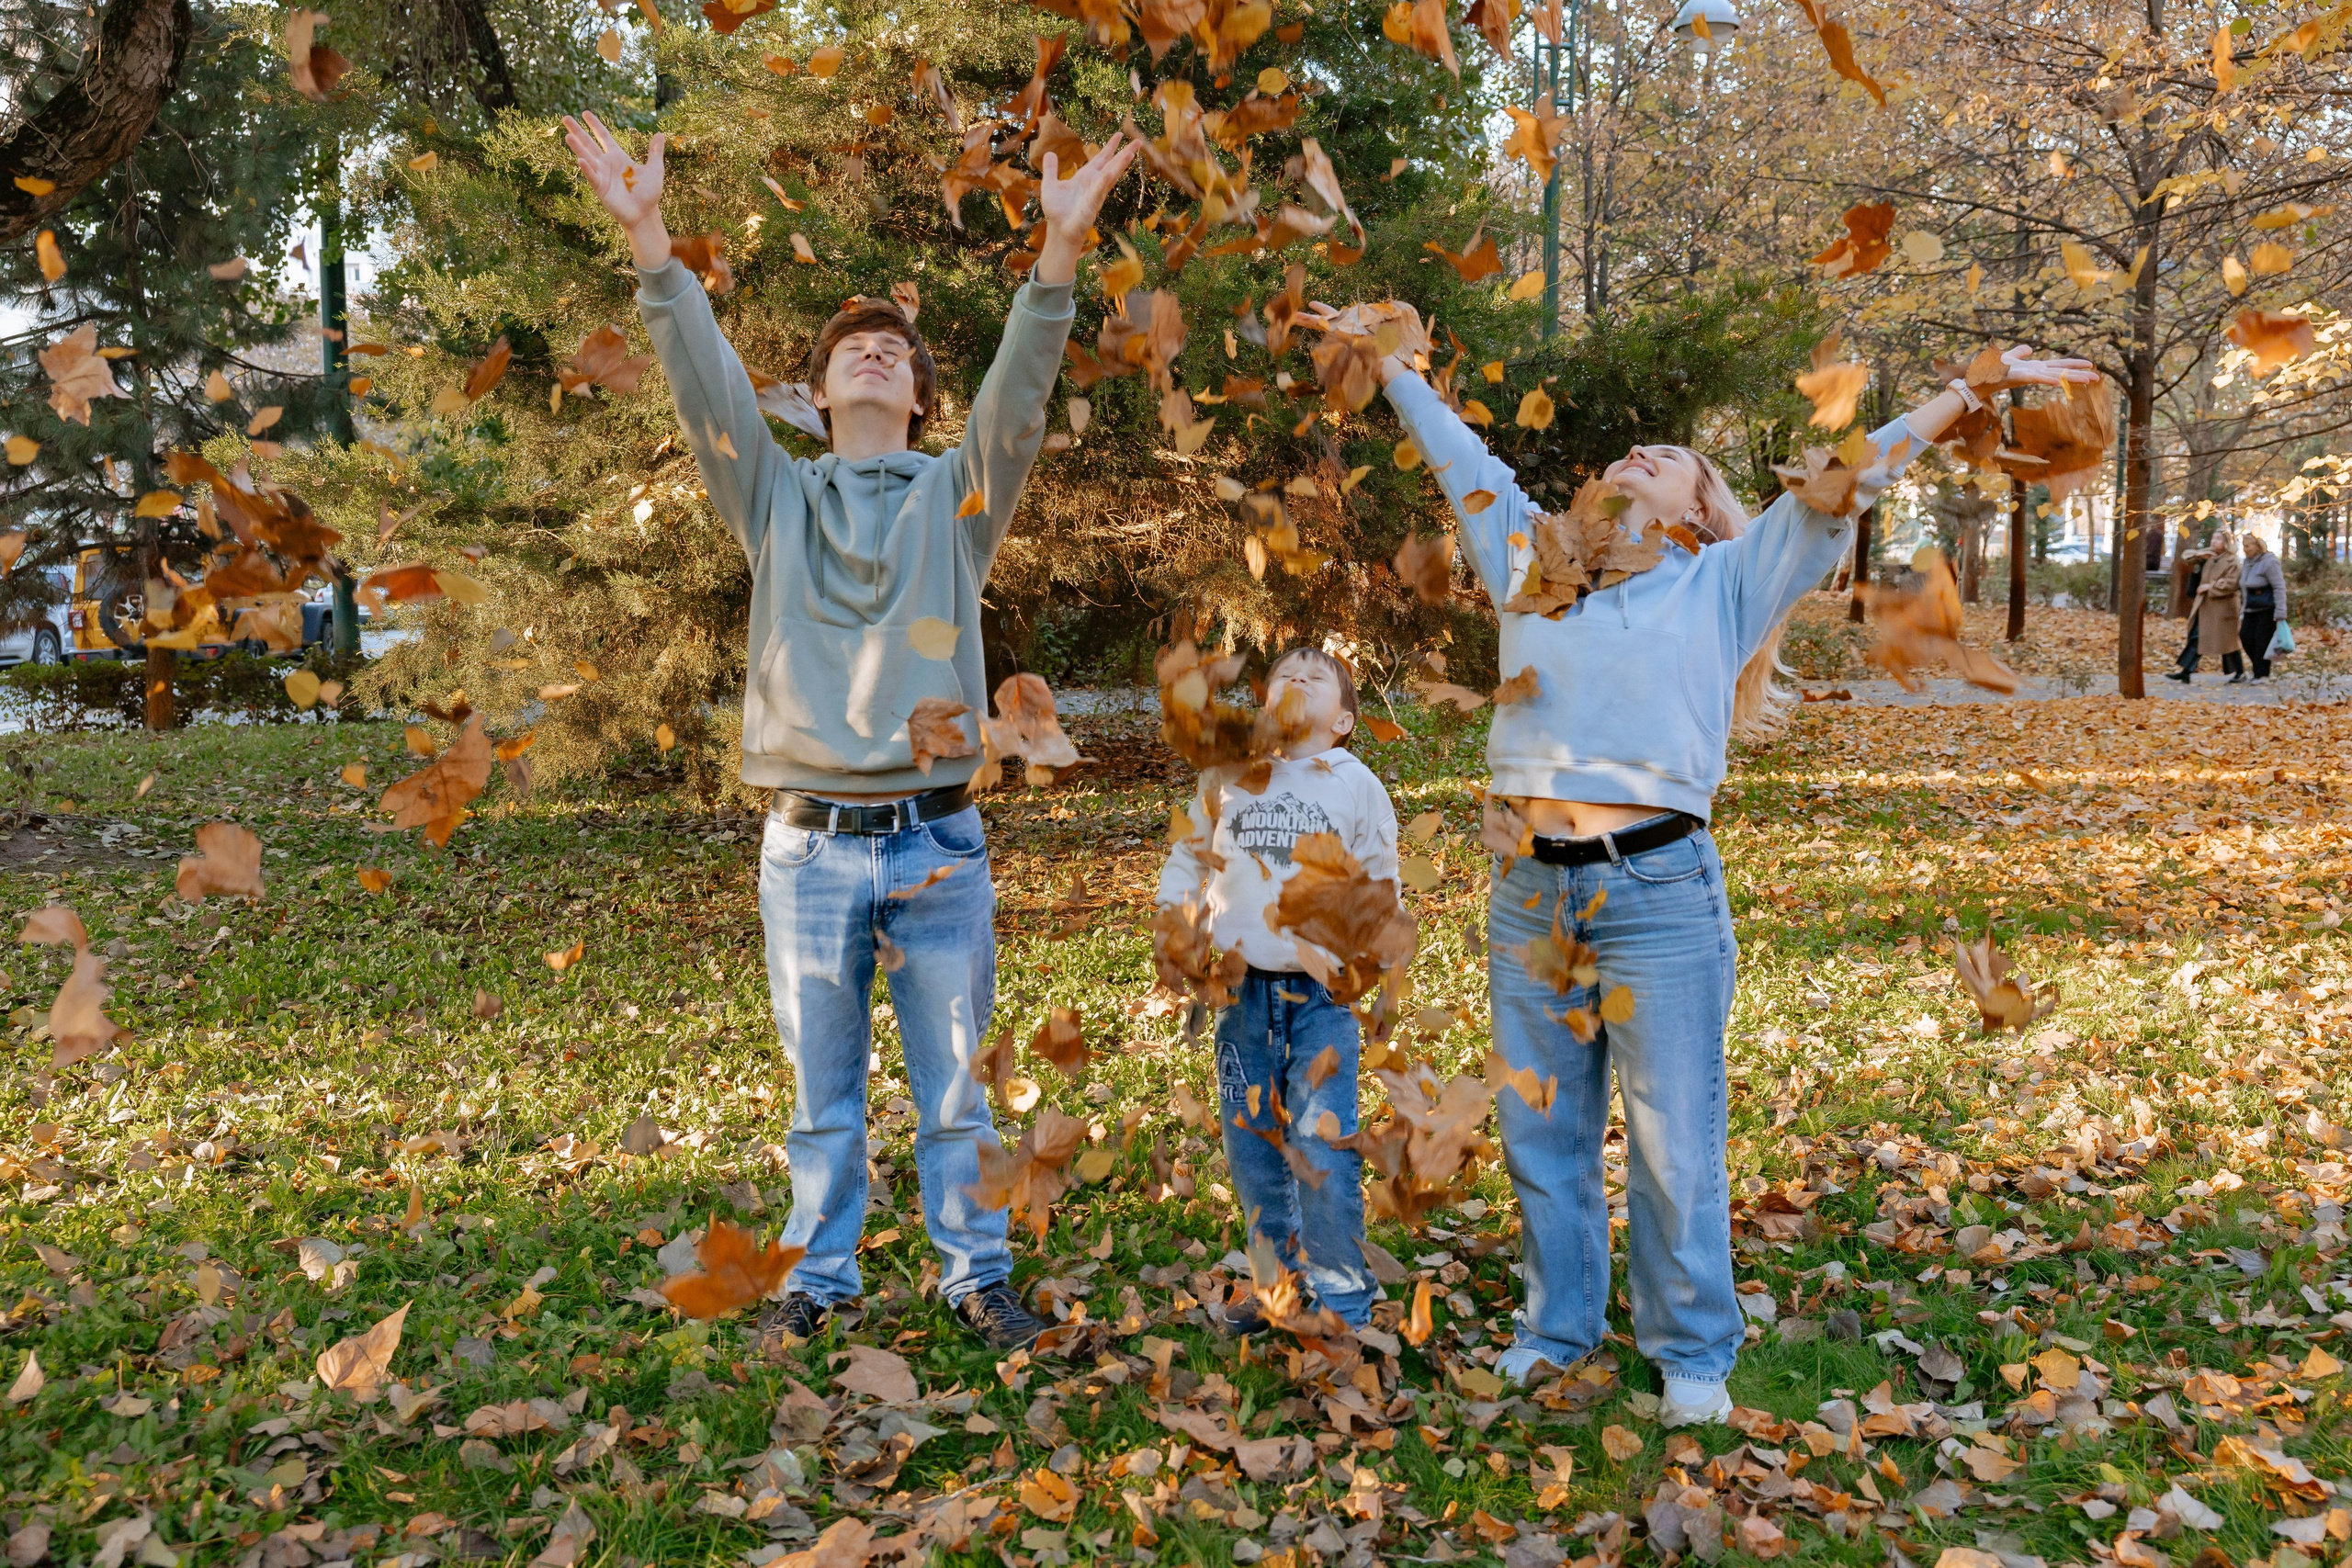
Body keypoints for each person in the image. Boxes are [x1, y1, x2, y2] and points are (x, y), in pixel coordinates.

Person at [1374, 316, 2096, 1426]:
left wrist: (1967, 387)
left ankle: (1690, 1349)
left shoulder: (1723, 582)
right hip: (1529, 892)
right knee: (1543, 1133)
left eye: (1663, 462)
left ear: (1704, 515)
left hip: (1657, 892)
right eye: (1622, 458)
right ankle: (1554, 1329)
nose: (1632, 463)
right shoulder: (1529, 560)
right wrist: (1384, 361)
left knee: (1673, 1138)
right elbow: (1458, 456)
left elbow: (1845, 482)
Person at [562, 110, 1141, 1350]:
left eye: (895, 349)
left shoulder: (954, 500)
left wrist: (1058, 254)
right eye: (852, 350)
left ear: (924, 397)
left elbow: (1021, 403)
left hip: (938, 845)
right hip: (808, 849)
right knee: (822, 1101)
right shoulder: (774, 498)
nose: (874, 354)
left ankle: (972, 1273)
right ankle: (820, 1281)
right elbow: (705, 386)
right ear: (816, 395)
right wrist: (651, 240)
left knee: (955, 1094)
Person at [1156, 646, 1398, 1336]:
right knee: (1253, 1146)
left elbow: (1381, 881)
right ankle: (1282, 1291)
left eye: (1314, 677)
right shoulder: (1229, 774)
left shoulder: (1355, 783)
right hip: (1240, 997)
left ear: (1344, 719)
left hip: (1321, 1001)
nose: (1295, 680)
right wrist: (1176, 920)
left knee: (1321, 1148)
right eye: (1284, 675)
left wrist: (1372, 963)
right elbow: (1187, 852)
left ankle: (1344, 1303)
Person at [2175, 529, 2245, 684]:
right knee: (2198, 637)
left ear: (2226, 543)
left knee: (2228, 642)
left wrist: (2210, 587)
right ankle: (2186, 671)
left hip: (2223, 608)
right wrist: (2201, 555)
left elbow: (2231, 584)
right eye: (2213, 538)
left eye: (2218, 539)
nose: (2214, 541)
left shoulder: (2232, 561)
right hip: (2206, 606)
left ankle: (2239, 672)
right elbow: (2186, 556)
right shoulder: (2208, 558)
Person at [2238, 531, 2287, 682]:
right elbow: (2244, 588)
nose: (2246, 549)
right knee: (2246, 638)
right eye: (2244, 546)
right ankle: (2259, 668)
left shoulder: (2269, 562)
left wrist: (2280, 612)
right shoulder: (2247, 562)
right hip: (2250, 608)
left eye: (2248, 545)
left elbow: (2279, 587)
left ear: (2258, 545)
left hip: (2266, 609)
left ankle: (2262, 673)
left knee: (2261, 642)